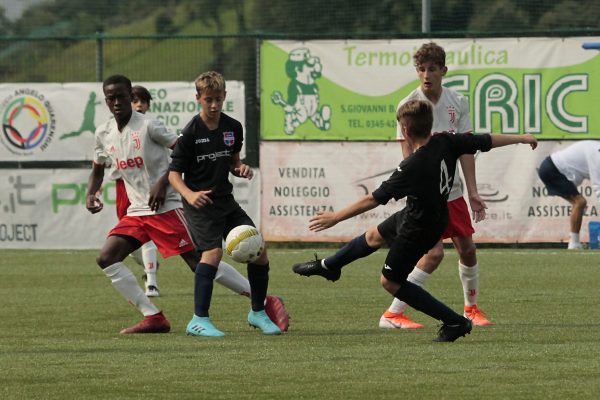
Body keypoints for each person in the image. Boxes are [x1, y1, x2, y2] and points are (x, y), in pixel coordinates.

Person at [294, 100, 537, 342]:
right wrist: (522, 138)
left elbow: (374, 199)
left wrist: (335, 217)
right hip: (425, 214)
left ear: (405, 131)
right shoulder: (446, 140)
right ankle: (330, 267)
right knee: (374, 236)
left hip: (419, 227)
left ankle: (454, 321)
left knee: (390, 281)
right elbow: (486, 140)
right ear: (430, 125)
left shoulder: (412, 165)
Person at [295, 42, 491, 330]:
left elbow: (467, 150)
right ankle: (395, 313)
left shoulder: (457, 103)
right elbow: (408, 155)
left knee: (467, 248)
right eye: (421, 69)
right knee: (433, 254)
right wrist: (413, 188)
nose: (426, 74)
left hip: (453, 191)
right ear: (416, 72)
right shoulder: (408, 105)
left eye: (432, 69)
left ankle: (470, 309)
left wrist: (472, 192)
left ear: (443, 71)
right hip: (427, 197)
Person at [86, 74, 288, 334]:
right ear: (106, 100)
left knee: (200, 260)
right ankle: (153, 316)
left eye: (122, 97)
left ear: (130, 96)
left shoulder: (149, 125)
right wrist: (92, 193)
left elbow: (181, 152)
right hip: (136, 211)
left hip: (166, 208)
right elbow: (97, 167)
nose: (116, 102)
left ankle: (259, 299)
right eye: (111, 98)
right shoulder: (104, 132)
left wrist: (163, 183)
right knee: (107, 258)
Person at [168, 71, 282, 337]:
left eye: (218, 99)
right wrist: (189, 194)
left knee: (259, 251)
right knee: (212, 254)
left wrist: (240, 168)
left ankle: (257, 312)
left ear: (225, 97)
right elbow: (173, 174)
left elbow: (233, 161)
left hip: (225, 201)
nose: (214, 105)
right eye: (208, 99)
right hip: (200, 204)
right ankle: (198, 320)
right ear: (198, 99)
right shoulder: (189, 133)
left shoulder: (233, 127)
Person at [104, 85, 161, 297]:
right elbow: (104, 158)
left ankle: (152, 282)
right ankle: (149, 264)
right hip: (124, 186)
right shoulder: (112, 129)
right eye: (135, 100)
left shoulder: (151, 126)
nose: (139, 105)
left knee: (147, 236)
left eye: (142, 101)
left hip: (148, 186)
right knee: (130, 239)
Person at [538, 140, 600, 249]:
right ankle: (574, 244)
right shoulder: (596, 156)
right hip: (552, 169)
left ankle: (574, 242)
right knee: (580, 202)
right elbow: (598, 187)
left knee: (579, 205)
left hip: (553, 168)